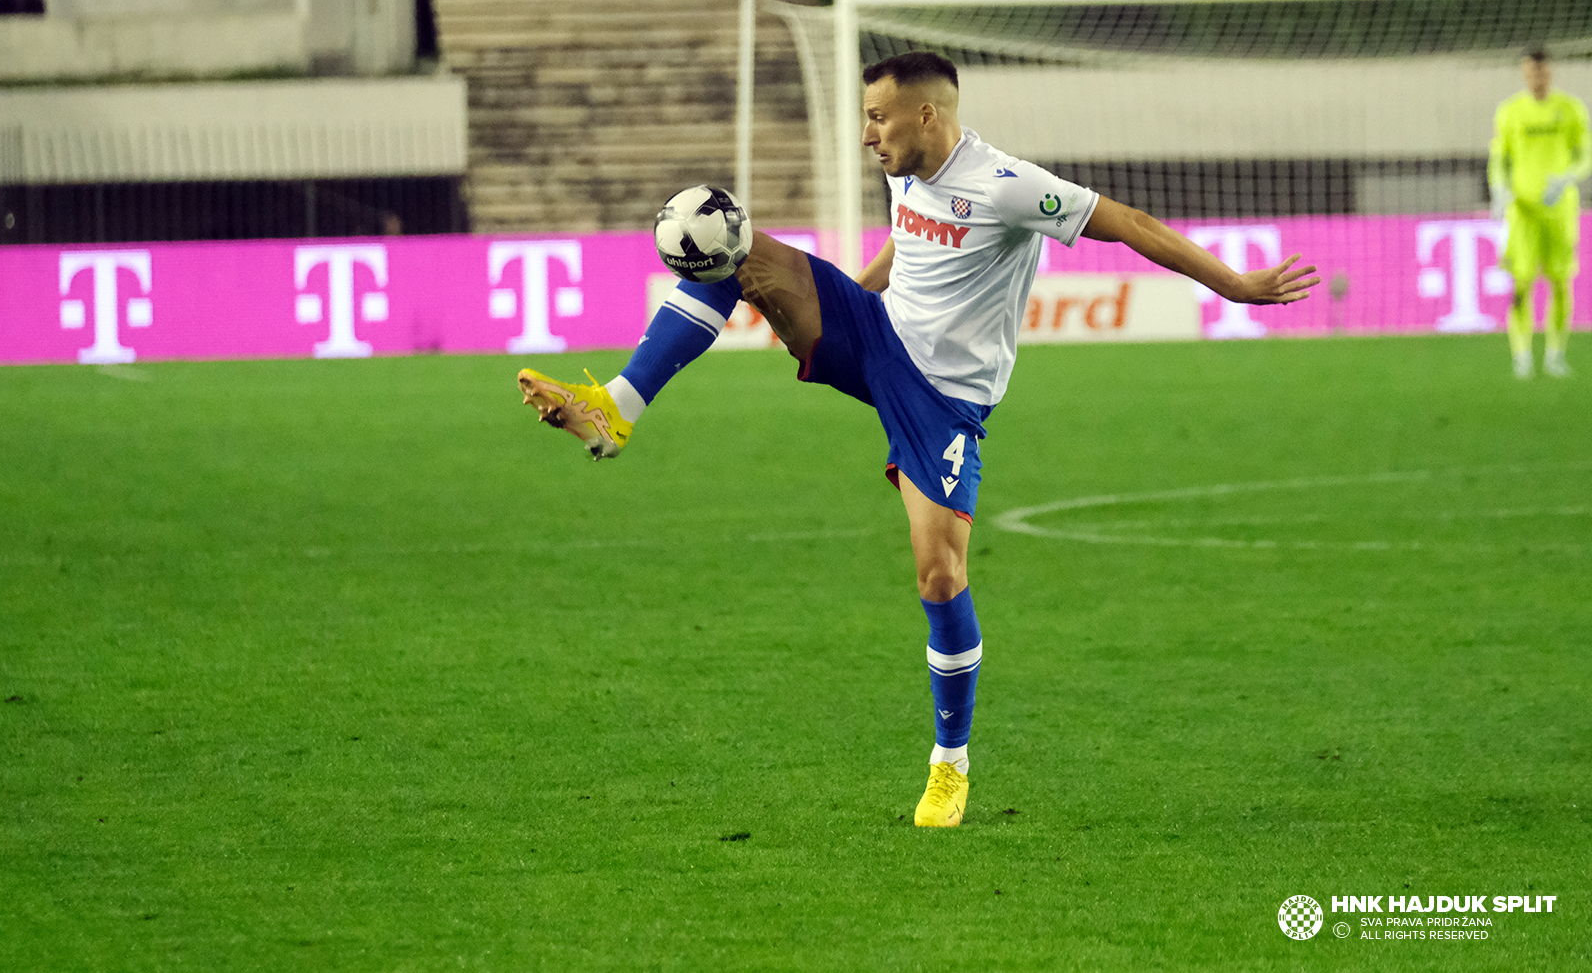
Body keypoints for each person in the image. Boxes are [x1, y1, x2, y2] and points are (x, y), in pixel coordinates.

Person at [518, 52, 1319, 827]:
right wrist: (848, 300)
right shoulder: (906, 168)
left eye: (878, 117)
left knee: (940, 575)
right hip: (876, 333)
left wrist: (1238, 287)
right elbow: (910, 234)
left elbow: (1128, 223)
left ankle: (950, 763)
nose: (868, 134)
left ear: (925, 113)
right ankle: (616, 406)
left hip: (945, 401)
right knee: (722, 238)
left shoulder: (1007, 187)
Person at [1489, 47, 1588, 379]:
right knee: (1522, 283)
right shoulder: (1510, 111)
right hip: (1523, 211)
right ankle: (1521, 355)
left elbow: (1585, 154)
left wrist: (1567, 178)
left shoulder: (1570, 109)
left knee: (1561, 283)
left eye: (1542, 72)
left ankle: (1556, 354)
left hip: (1560, 210)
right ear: (1523, 73)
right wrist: (1499, 189)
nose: (1537, 78)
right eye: (1531, 72)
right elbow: (1499, 157)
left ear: (1551, 72)